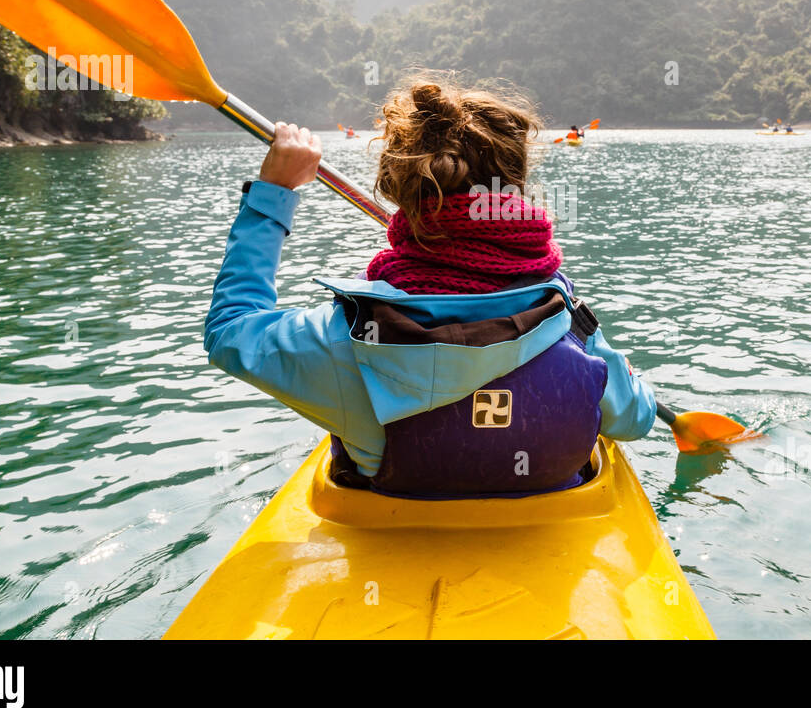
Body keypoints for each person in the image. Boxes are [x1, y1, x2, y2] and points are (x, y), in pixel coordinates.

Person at [204, 79, 655, 498]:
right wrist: (635, 382)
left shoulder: (347, 336)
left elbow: (230, 330)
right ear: (514, 187)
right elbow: (634, 420)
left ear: (399, 189)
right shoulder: (568, 320)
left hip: (387, 526)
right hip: (552, 532)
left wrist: (274, 194)